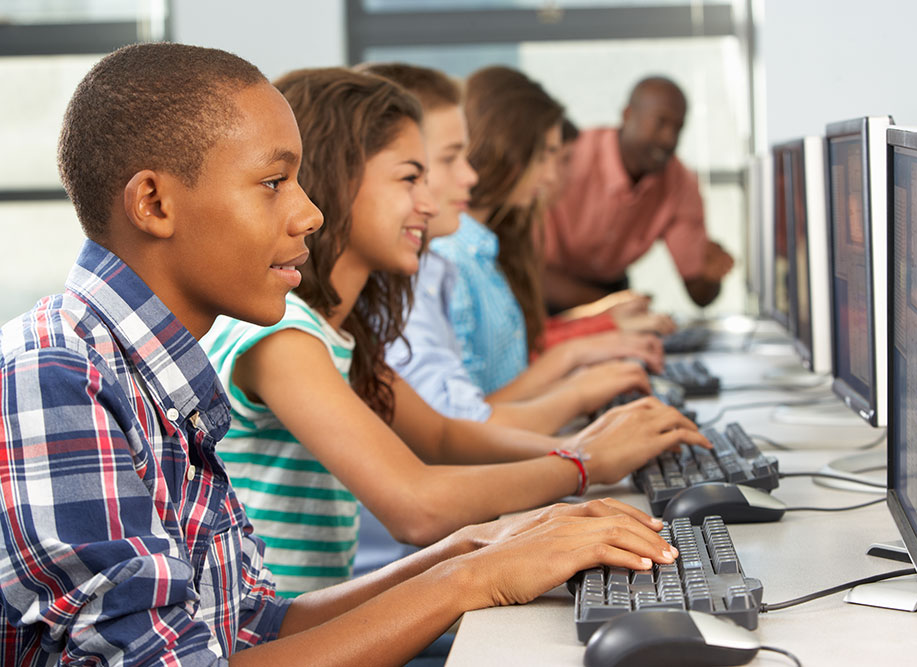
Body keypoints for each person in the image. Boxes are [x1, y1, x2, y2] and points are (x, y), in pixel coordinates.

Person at [0, 44, 691, 666]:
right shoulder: (57, 374)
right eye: (274, 182)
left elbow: (250, 625)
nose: (310, 214)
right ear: (153, 201)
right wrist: (470, 577)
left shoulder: (160, 376)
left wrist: (479, 545)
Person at [201, 67, 709, 596]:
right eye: (410, 178)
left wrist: (583, 445)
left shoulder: (339, 332)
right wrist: (581, 464)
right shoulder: (283, 337)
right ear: (339, 179)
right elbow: (415, 507)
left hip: (309, 618)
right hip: (280, 633)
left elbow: (444, 435)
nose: (430, 200)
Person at [367, 63, 656, 432]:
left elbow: (464, 411)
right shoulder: (448, 255)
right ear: (509, 150)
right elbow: (458, 426)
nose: (553, 176)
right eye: (546, 155)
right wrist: (578, 393)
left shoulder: (460, 256)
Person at [543, 75, 736, 311]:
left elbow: (700, 294)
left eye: (678, 128)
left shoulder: (680, 182)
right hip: (546, 286)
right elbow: (526, 272)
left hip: (611, 289)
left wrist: (710, 275)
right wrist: (614, 305)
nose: (669, 139)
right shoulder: (568, 157)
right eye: (660, 123)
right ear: (627, 115)